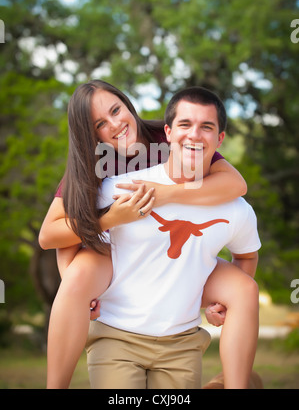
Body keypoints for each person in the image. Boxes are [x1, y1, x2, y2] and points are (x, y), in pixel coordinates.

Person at [38, 80, 252, 388]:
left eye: (116, 110)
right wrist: (111, 219)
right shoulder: (90, 163)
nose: (115, 124)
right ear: (90, 134)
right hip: (118, 254)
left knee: (243, 288)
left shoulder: (168, 136)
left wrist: (166, 194)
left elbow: (235, 185)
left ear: (127, 104)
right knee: (77, 277)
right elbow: (52, 235)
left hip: (177, 254)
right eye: (100, 123)